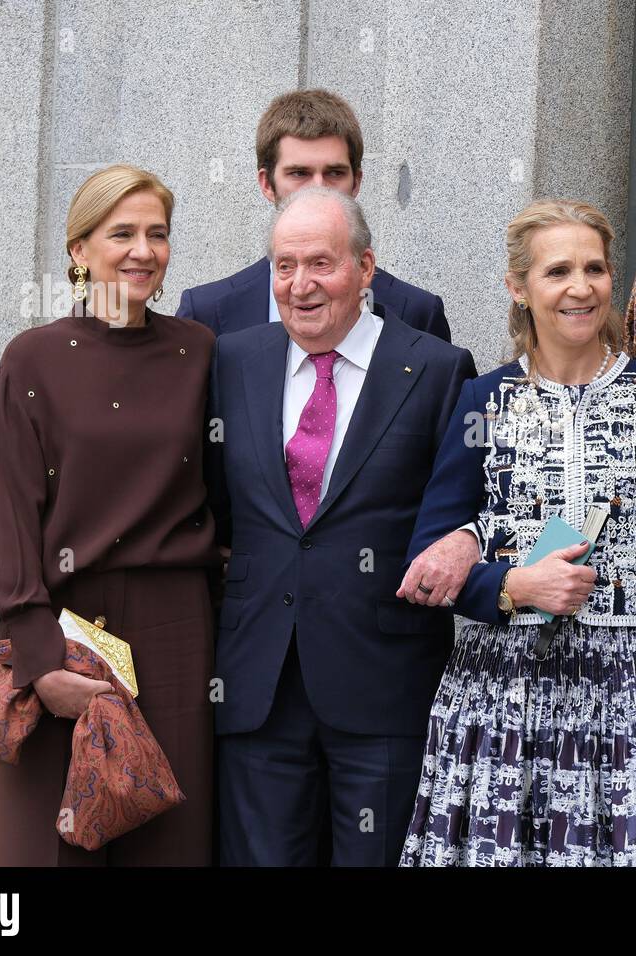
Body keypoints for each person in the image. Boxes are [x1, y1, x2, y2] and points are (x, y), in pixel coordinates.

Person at [398, 199, 636, 866]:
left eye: (594, 269)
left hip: (626, 692)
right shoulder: (484, 400)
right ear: (519, 287)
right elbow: (427, 559)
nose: (580, 287)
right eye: (558, 271)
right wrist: (512, 584)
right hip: (502, 690)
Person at [208, 186, 475, 867]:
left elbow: (467, 506)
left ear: (365, 268)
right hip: (259, 685)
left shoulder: (438, 369)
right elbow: (212, 504)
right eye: (284, 265)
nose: (300, 285)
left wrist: (466, 540)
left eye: (320, 264)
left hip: (383, 685)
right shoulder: (234, 361)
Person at [0, 164, 220, 865]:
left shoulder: (199, 352)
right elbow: (8, 519)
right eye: (122, 233)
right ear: (79, 250)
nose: (143, 250)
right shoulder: (33, 359)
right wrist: (37, 661)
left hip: (175, 633)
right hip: (59, 627)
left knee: (167, 843)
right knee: (45, 845)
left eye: (158, 233)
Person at [178, 89, 450, 342]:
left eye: (334, 173)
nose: (318, 188)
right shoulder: (206, 315)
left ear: (356, 182)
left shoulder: (418, 313)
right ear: (266, 184)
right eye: (299, 173)